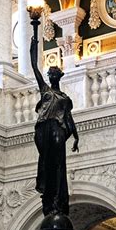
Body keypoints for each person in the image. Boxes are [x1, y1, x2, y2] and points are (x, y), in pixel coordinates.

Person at [30, 36, 79, 217]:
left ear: (58, 77)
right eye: (50, 74)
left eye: (53, 74)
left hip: (58, 129)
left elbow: (69, 117)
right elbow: (35, 68)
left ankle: (57, 199)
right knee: (46, 162)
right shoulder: (45, 90)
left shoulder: (65, 98)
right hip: (44, 128)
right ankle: (49, 196)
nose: (51, 76)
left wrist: (76, 137)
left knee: (58, 165)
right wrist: (33, 49)